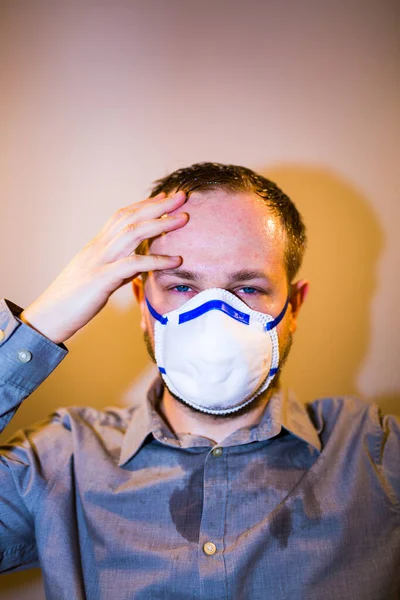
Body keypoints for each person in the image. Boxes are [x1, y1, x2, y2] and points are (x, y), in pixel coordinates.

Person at [0, 162, 398, 600]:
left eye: (247, 288)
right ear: (140, 302)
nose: (214, 319)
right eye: (183, 287)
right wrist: (40, 326)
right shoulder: (59, 460)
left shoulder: (376, 457)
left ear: (294, 308)